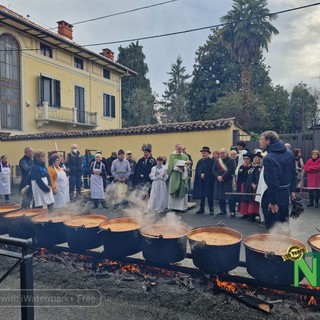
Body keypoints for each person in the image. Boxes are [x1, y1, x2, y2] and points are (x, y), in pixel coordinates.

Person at [259, 131, 296, 229]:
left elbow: (273, 183)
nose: (259, 141)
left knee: (273, 226)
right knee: (284, 222)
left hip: (275, 195)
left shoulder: (269, 158)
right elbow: (293, 173)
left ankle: (274, 243)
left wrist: (273, 202)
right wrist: (292, 190)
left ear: (268, 141)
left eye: (261, 139)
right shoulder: (290, 152)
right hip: (285, 193)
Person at [212, 148, 236, 217]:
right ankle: (223, 210)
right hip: (219, 181)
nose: (222, 154)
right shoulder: (217, 161)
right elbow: (213, 170)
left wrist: (222, 176)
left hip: (228, 181)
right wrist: (218, 177)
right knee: (220, 196)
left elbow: (231, 170)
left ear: (226, 153)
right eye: (220, 153)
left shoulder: (231, 160)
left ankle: (232, 211)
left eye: (223, 153)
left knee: (230, 197)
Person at [167, 143, 191, 211]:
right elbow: (172, 163)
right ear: (176, 148)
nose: (180, 150)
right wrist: (183, 163)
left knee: (182, 190)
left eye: (181, 149)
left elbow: (188, 166)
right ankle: (173, 207)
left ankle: (181, 207)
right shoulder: (172, 155)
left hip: (182, 176)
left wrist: (184, 168)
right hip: (175, 175)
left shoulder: (185, 156)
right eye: (179, 149)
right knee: (174, 190)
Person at [193, 147, 215, 215]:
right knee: (202, 195)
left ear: (208, 153)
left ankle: (211, 209)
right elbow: (197, 170)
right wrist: (200, 174)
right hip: (201, 181)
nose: (203, 154)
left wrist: (205, 175)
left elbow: (213, 171)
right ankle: (201, 208)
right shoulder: (200, 161)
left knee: (210, 195)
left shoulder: (212, 161)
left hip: (209, 181)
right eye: (202, 153)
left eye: (204, 153)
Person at [237, 153, 253, 219]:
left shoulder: (252, 168)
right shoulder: (241, 167)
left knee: (248, 198)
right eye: (244, 159)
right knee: (242, 199)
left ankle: (249, 213)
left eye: (247, 159)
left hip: (249, 185)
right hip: (242, 185)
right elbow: (239, 177)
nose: (246, 160)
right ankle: (244, 213)